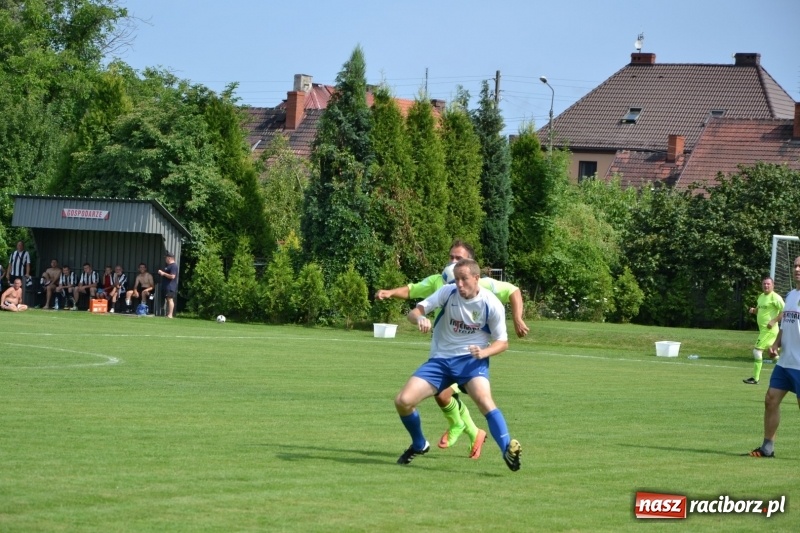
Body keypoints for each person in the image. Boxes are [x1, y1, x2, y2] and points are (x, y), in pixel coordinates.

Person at [376, 240, 529, 459]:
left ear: (477, 278)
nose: (459, 284)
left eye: (464, 279)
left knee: (485, 402)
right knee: (403, 401)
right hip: (440, 361)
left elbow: (502, 342)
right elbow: (414, 312)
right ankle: (419, 444)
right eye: (456, 279)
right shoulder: (447, 292)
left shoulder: (491, 303)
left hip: (471, 362)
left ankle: (507, 449)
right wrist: (420, 318)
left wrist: (484, 353)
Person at [749, 256, 800, 458]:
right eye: (796, 265)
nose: (797, 268)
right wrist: (776, 343)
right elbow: (786, 325)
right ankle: (767, 447)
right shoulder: (790, 295)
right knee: (770, 399)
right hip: (786, 363)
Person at [743, 276, 784, 385]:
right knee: (773, 353)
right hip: (763, 330)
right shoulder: (761, 296)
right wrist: (754, 310)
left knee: (757, 351)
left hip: (769, 330)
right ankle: (785, 372)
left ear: (773, 285)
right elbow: (760, 310)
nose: (766, 286)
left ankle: (755, 378)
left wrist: (774, 320)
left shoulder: (776, 297)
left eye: (768, 284)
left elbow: (785, 311)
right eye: (764, 284)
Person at [158, 252, 178, 318]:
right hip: (166, 286)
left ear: (169, 258)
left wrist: (163, 273)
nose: (165, 259)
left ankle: (170, 315)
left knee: (170, 299)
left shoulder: (174, 266)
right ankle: (168, 313)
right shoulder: (168, 266)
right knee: (167, 299)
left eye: (166, 258)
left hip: (170, 286)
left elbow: (172, 276)